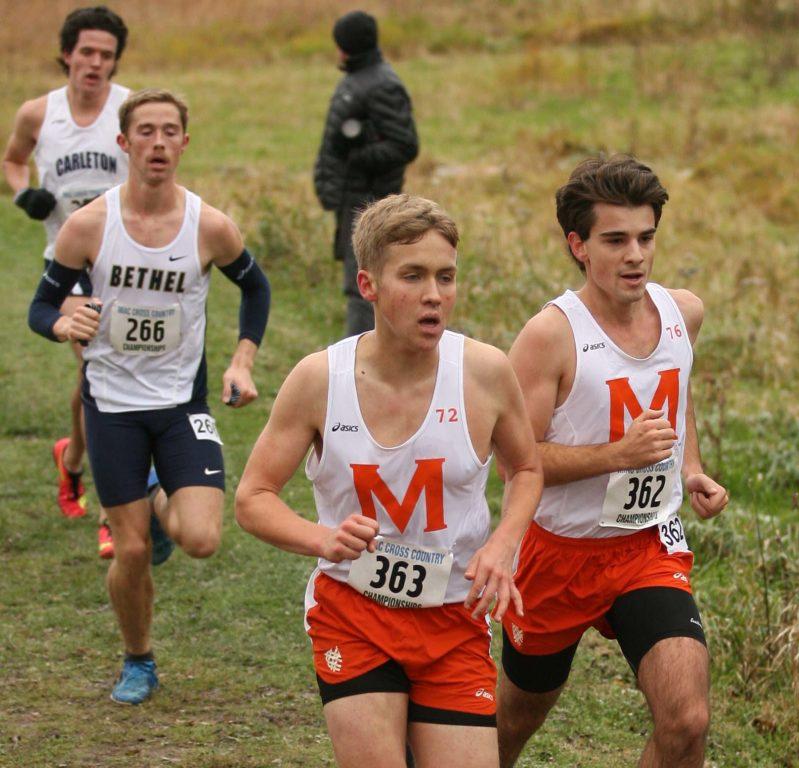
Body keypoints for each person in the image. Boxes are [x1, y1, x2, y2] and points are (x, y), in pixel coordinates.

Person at [235, 194, 541, 767]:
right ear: (368, 285)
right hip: (355, 610)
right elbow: (252, 498)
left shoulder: (485, 373)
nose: (434, 295)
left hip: (454, 617)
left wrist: (504, 544)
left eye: (446, 277)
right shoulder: (318, 379)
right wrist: (321, 539)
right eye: (414, 276)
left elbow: (526, 468)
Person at [27, 88, 272, 705]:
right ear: (124, 143)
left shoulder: (209, 226)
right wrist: (64, 322)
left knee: (202, 540)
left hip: (182, 405)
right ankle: (138, 660)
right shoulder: (89, 226)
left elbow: (256, 288)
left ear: (184, 143)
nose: (158, 143)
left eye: (170, 132)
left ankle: (162, 492)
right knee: (130, 549)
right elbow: (39, 306)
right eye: (146, 132)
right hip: (110, 407)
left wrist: (242, 358)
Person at [495, 155, 730, 768]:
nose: (635, 256)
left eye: (646, 237)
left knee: (687, 721)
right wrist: (616, 456)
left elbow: (676, 397)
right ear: (578, 245)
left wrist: (690, 468)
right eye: (616, 240)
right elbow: (514, 462)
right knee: (515, 718)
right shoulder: (551, 336)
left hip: (647, 546)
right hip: (557, 554)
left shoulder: (684, 313)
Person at [3, 6, 129, 556]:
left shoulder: (130, 109)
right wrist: (21, 192)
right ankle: (112, 510)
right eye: (87, 52)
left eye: (106, 55)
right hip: (71, 266)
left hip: (127, 265)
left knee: (99, 382)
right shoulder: (38, 113)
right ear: (67, 55)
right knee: (100, 377)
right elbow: (13, 160)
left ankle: (72, 458)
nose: (95, 63)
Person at [314, 9, 418, 338]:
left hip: (369, 204)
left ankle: (360, 369)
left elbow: (405, 146)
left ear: (347, 46)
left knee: (363, 287)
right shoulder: (359, 78)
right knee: (359, 284)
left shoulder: (382, 84)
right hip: (353, 198)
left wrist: (357, 157)